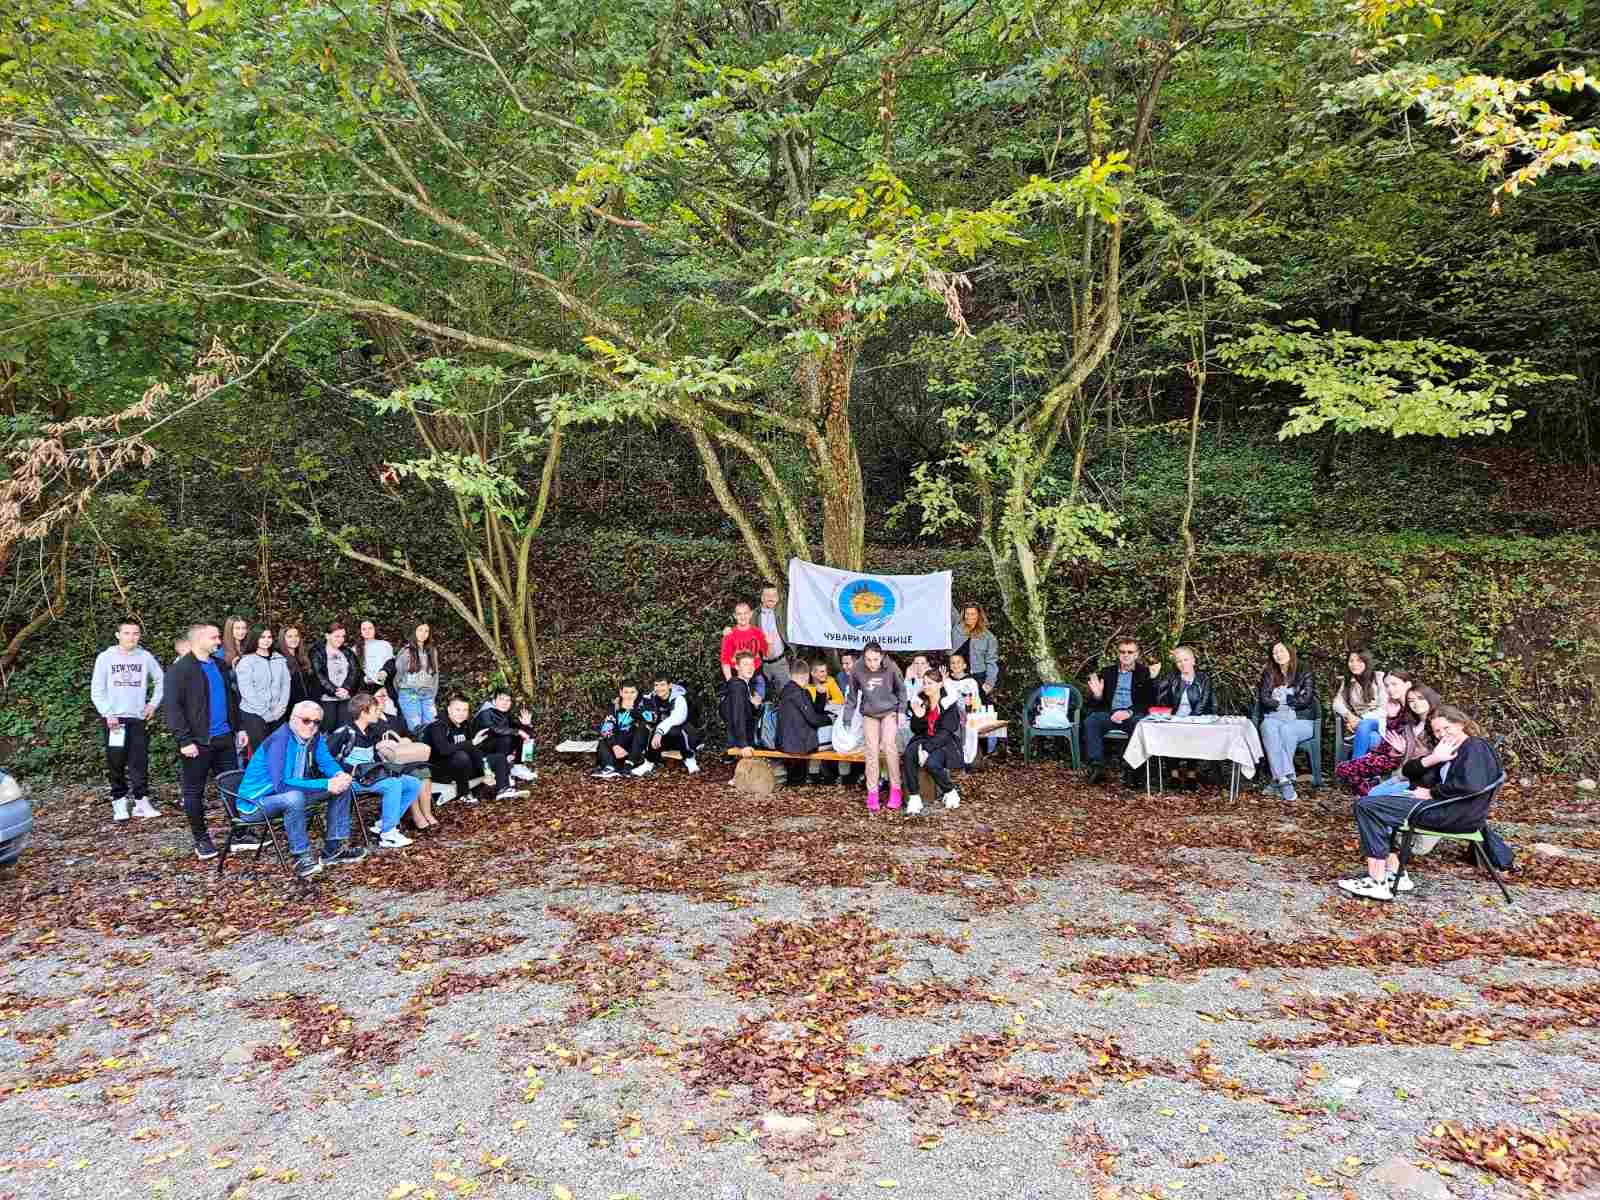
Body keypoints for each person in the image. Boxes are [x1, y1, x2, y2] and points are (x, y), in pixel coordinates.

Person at [1338, 705, 1504, 902]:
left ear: (1461, 724)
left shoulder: (1474, 746)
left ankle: (1377, 881)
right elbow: (1409, 771)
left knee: (1367, 807)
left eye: (1447, 728)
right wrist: (1435, 758)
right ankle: (1394, 873)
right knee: (1370, 804)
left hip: (1455, 813)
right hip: (1444, 807)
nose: (1442, 734)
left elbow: (1472, 785)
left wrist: (1432, 792)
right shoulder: (1450, 749)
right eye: (1437, 731)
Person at [237, 702, 363, 878]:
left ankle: (333, 850)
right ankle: (300, 857)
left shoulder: (314, 736)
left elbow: (326, 760)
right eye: (306, 720)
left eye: (316, 722)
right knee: (294, 797)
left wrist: (339, 775)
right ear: (293, 719)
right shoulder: (279, 741)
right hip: (255, 804)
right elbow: (282, 785)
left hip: (290, 793)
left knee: (343, 786)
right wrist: (326, 784)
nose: (311, 725)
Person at [165, 622, 250, 860]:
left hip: (225, 738)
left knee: (232, 786)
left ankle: (240, 834)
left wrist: (239, 728)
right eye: (213, 637)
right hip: (197, 742)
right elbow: (172, 708)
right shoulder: (180, 670)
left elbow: (232, 699)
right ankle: (201, 840)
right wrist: (184, 740)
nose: (219, 641)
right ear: (198, 640)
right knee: (194, 791)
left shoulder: (220, 665)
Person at [90, 619, 165, 822]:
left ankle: (141, 801)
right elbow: (97, 689)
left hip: (137, 718)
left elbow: (161, 680)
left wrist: (152, 704)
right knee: (116, 762)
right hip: (114, 720)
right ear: (118, 635)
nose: (131, 637)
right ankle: (119, 801)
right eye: (127, 633)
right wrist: (108, 713)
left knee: (139, 761)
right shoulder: (106, 658)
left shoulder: (145, 657)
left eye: (135, 633)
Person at [327, 693, 423, 848]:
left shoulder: (371, 731)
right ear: (363, 712)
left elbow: (373, 757)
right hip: (351, 780)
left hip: (370, 776)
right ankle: (388, 834)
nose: (379, 713)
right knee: (392, 784)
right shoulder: (344, 732)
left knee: (413, 783)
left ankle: (384, 823)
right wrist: (350, 769)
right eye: (375, 710)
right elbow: (326, 760)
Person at [1346, 681, 1441, 800]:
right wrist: (1400, 750)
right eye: (1411, 701)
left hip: (1423, 779)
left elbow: (1435, 756)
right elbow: (1392, 743)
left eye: (1420, 698)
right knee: (1368, 792)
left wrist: (1406, 750)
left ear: (1430, 698)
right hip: (1404, 772)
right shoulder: (1411, 725)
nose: (1416, 703)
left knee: (1371, 798)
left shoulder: (1437, 723)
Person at [1336, 669, 1424, 796]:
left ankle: (1370, 794)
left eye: (1394, 684)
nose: (1390, 689)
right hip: (1384, 753)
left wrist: (1402, 751)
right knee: (1343, 769)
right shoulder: (1395, 706)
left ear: (1408, 684)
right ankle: (1369, 791)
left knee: (1346, 770)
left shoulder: (1414, 707)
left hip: (1394, 758)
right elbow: (1388, 734)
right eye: (1387, 685)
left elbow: (1416, 736)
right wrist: (1390, 717)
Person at [1083, 637, 1157, 785]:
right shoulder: (1107, 672)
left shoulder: (1144, 673)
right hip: (1110, 713)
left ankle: (1133, 771)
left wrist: (1129, 712)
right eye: (1122, 652)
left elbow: (1148, 702)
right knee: (1091, 721)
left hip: (1133, 715)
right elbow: (1092, 704)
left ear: (1137, 654)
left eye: (1130, 652)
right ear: (1118, 654)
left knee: (1140, 725)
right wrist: (1097, 695)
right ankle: (1096, 768)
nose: (1126, 655)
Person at [843, 641, 905, 812]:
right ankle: (872, 792)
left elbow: (901, 690)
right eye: (868, 660)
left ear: (881, 656)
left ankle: (896, 789)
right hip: (870, 712)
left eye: (875, 659)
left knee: (889, 745)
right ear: (863, 658)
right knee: (871, 750)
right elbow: (852, 696)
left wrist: (902, 711)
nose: (872, 663)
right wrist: (847, 717)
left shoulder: (891, 667)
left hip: (889, 711)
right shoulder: (857, 668)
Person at [370, 687, 441, 830]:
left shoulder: (395, 719)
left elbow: (410, 735)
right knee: (411, 776)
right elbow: (371, 746)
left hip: (406, 756)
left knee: (424, 774)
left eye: (385, 696)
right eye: (380, 696)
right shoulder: (370, 721)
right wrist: (384, 744)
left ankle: (427, 814)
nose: (383, 699)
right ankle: (417, 816)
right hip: (387, 761)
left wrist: (406, 740)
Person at [1256, 641, 1316, 801]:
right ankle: (1284, 780)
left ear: (1290, 652)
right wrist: (1278, 703)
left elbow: (1307, 698)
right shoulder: (1269, 672)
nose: (1278, 655)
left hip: (1301, 719)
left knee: (1286, 730)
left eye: (1281, 651)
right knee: (1267, 727)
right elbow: (1264, 698)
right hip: (1274, 716)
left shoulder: (1304, 670)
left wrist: (1289, 701)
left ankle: (1277, 779)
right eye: (1275, 652)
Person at [1153, 645, 1217, 791]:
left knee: (1193, 734)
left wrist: (1191, 720)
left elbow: (1203, 702)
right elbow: (1160, 696)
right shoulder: (1172, 678)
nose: (1183, 664)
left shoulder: (1203, 678)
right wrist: (1154, 677)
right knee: (1169, 734)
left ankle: (1191, 774)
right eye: (1179, 661)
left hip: (1196, 718)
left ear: (1193, 661)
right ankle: (1174, 774)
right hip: (1175, 718)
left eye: (1186, 660)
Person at [903, 668, 962, 815]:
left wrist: (926, 750)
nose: (926, 686)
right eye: (924, 683)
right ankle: (914, 797)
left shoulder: (948, 703)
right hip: (924, 739)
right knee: (909, 754)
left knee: (932, 763)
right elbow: (916, 730)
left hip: (943, 742)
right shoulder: (921, 700)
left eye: (930, 683)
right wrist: (918, 717)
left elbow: (946, 732)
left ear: (940, 684)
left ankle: (950, 791)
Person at [424, 695, 494, 804]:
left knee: (497, 758)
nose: (461, 713)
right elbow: (443, 749)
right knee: (461, 756)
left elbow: (473, 749)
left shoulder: (465, 725)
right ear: (449, 710)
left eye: (465, 710)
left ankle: (502, 789)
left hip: (462, 768)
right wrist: (471, 743)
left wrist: (486, 770)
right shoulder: (438, 726)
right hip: (438, 770)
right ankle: (464, 794)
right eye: (458, 710)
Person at [777, 660, 833, 786]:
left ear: (790, 674)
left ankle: (814, 774)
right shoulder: (798, 693)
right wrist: (830, 719)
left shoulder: (790, 690)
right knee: (836, 738)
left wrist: (820, 694)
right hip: (797, 743)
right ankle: (827, 775)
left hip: (788, 741)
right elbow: (813, 719)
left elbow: (814, 711)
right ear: (806, 675)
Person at [235, 626, 290, 755]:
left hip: (278, 713)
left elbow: (286, 685)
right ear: (255, 639)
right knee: (261, 753)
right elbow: (247, 692)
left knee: (279, 752)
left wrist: (281, 708)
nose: (266, 640)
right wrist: (265, 713)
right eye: (262, 637)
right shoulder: (246, 661)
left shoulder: (279, 659)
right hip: (255, 714)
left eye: (269, 637)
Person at [473, 689, 534, 796]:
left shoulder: (506, 714)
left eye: (508, 700)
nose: (505, 703)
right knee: (506, 738)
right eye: (501, 699)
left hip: (498, 746)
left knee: (527, 734)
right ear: (494, 701)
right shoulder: (485, 713)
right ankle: (504, 772)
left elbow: (518, 730)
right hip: (483, 751)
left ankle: (518, 766)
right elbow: (492, 729)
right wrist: (518, 732)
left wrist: (526, 726)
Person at [639, 675, 702, 774]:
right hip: (661, 737)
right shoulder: (652, 698)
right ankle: (648, 762)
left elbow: (677, 718)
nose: (659, 688)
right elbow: (639, 706)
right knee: (646, 727)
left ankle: (689, 759)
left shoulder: (679, 698)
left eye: (662, 685)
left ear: (669, 686)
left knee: (675, 729)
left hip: (682, 735)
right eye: (656, 685)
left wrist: (659, 732)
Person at [1333, 648, 1388, 761]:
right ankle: (1361, 769)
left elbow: (1384, 707)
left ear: (1366, 662)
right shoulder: (1348, 681)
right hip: (1361, 727)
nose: (1354, 664)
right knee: (1372, 739)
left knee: (1365, 725)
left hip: (1380, 722)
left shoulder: (1378, 678)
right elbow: (1337, 703)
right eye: (1351, 661)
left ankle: (1353, 767)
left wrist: (1361, 720)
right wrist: (1349, 715)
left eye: (1359, 661)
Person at [312, 620, 361, 731]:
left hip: (345, 698)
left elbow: (354, 671)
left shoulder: (348, 652)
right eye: (337, 636)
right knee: (327, 731)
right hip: (326, 699)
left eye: (343, 636)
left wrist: (346, 688)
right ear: (327, 636)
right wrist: (334, 691)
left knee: (344, 730)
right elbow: (318, 675)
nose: (341, 639)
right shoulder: (317, 652)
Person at [593, 683, 648, 780]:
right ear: (621, 693)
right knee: (603, 739)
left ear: (637, 693)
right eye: (626, 692)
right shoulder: (614, 707)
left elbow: (652, 718)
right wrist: (614, 745)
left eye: (632, 692)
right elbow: (606, 728)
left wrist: (634, 710)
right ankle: (609, 767)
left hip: (633, 746)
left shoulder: (643, 704)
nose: (629, 695)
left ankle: (629, 765)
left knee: (643, 728)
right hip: (617, 745)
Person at [392, 623, 440, 734]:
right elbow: (398, 674)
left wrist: (433, 693)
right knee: (417, 729)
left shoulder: (432, 651)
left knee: (433, 727)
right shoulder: (406, 651)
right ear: (414, 631)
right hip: (409, 694)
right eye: (420, 630)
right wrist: (403, 691)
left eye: (426, 631)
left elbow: (435, 674)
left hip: (427, 694)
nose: (423, 633)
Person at [942, 652, 983, 773]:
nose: (956, 665)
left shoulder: (971, 681)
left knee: (970, 734)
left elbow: (976, 699)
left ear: (964, 665)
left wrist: (972, 711)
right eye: (952, 663)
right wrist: (944, 681)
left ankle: (968, 762)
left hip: (968, 714)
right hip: (951, 714)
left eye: (958, 662)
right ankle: (954, 761)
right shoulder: (946, 680)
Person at [719, 603, 769, 701]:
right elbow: (725, 662)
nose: (743, 617)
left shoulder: (757, 632)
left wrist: (770, 643)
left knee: (756, 706)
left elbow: (767, 653)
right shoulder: (729, 635)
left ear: (750, 614)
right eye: (739, 614)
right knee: (738, 705)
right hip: (736, 677)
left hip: (756, 676)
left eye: (745, 613)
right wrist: (731, 682)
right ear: (735, 616)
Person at [720, 651, 763, 759]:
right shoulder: (737, 687)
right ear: (737, 667)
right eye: (745, 664)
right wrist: (743, 744)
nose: (750, 668)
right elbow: (738, 714)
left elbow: (745, 712)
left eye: (752, 664)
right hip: (739, 739)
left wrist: (755, 706)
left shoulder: (747, 686)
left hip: (743, 737)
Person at [757, 586, 789, 691]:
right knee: (764, 695)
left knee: (786, 693)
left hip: (780, 663)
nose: (771, 598)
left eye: (774, 595)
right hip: (763, 665)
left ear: (778, 598)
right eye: (768, 595)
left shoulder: (782, 612)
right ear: (762, 598)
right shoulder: (755, 615)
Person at [280, 625, 315, 711]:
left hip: (307, 707)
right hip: (289, 709)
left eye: (296, 636)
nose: (294, 639)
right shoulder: (279, 659)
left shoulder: (303, 658)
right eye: (289, 636)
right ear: (283, 639)